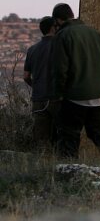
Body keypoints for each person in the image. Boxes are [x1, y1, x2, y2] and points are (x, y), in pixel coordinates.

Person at [50, 3, 100, 159]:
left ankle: (70, 173)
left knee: (69, 136)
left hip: (74, 97)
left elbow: (60, 70)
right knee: (99, 134)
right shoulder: (95, 33)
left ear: (58, 21)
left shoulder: (63, 36)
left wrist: (58, 95)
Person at [23, 16, 58, 149]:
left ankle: (43, 166)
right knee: (59, 137)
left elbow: (26, 76)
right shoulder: (61, 46)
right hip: (56, 98)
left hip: (38, 99)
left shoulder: (32, 50)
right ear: (53, 28)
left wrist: (36, 86)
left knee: (41, 139)